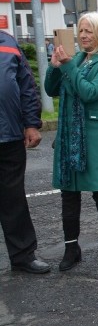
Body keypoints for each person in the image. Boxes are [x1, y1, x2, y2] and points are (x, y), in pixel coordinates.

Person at [45, 13, 98, 269]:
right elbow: (51, 90)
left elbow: (89, 92)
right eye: (81, 30)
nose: (84, 35)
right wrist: (54, 65)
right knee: (69, 194)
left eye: (89, 31)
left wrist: (68, 66)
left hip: (97, 135)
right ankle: (71, 248)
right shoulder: (77, 58)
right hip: (70, 134)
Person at [0, 30, 50, 274]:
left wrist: (31, 123)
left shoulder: (8, 42)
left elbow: (27, 86)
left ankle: (22, 255)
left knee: (13, 199)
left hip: (9, 134)